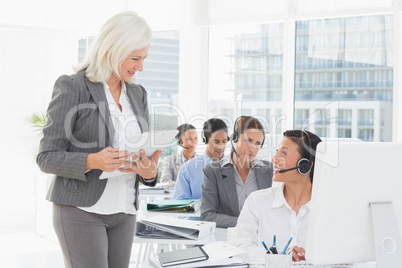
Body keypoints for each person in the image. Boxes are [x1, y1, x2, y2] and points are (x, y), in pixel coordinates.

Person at [36, 12, 161, 268]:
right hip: (81, 211)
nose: (141, 67)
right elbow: (46, 157)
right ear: (113, 49)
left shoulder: (138, 94)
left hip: (124, 211)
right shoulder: (74, 86)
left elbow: (141, 154)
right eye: (135, 58)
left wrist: (148, 171)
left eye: (144, 58)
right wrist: (93, 160)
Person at [232, 130, 322, 264]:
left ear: (305, 165)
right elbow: (240, 248)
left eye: (283, 153)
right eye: (277, 152)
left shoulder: (327, 208)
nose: (274, 159)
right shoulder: (257, 201)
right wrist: (281, 256)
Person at [201, 116, 273, 228]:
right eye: (248, 141)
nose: (253, 148)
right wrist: (245, 223)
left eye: (258, 143)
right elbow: (207, 216)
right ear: (235, 138)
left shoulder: (269, 170)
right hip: (227, 239)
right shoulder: (213, 172)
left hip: (260, 240)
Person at [172, 118, 229, 200]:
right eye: (216, 142)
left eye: (224, 141)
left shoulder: (234, 166)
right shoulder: (187, 169)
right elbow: (180, 202)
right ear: (205, 140)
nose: (221, 147)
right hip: (199, 212)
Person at [160, 124, 198, 191]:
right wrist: (188, 187)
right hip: (175, 200)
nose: (193, 142)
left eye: (195, 138)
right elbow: (165, 183)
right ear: (180, 141)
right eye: (188, 138)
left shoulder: (203, 161)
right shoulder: (169, 160)